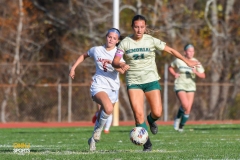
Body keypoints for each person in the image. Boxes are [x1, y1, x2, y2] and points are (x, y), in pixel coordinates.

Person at [112, 15, 200, 152]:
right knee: (138, 114)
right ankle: (147, 144)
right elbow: (115, 61)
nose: (139, 30)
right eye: (136, 27)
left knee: (157, 112)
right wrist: (121, 63)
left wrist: (187, 61)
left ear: (145, 27)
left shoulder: (151, 40)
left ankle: (151, 120)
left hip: (151, 80)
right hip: (134, 82)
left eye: (142, 27)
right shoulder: (125, 42)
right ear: (132, 27)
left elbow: (170, 50)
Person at [69, 28, 125, 151]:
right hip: (98, 85)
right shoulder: (97, 50)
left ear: (117, 41)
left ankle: (92, 140)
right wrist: (73, 68)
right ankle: (98, 131)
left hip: (113, 88)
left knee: (103, 114)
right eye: (109, 37)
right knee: (108, 108)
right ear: (106, 37)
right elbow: (84, 55)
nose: (111, 39)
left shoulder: (118, 54)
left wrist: (120, 66)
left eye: (114, 38)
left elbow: (121, 70)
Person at [168, 44, 205, 132]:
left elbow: (203, 75)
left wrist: (195, 72)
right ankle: (177, 119)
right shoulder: (179, 60)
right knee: (185, 104)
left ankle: (181, 127)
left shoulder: (196, 62)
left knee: (188, 109)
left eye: (193, 51)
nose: (191, 53)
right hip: (180, 84)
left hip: (191, 86)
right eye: (189, 51)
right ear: (185, 52)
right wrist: (174, 74)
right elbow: (170, 67)